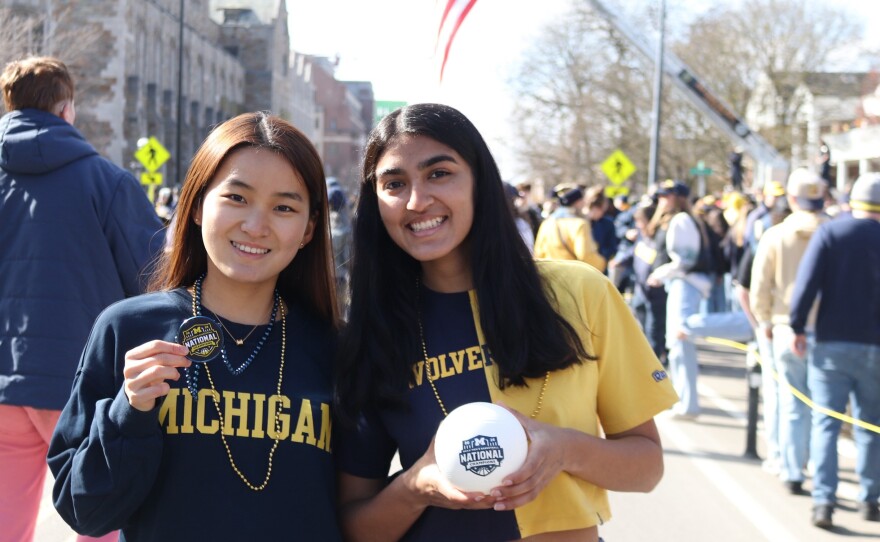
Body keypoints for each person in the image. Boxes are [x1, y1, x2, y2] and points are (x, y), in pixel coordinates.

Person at [334, 103, 678, 541]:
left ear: (480, 180)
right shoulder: (373, 332)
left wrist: (563, 449)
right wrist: (414, 487)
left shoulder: (580, 293)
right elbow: (355, 528)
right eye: (395, 184)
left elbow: (647, 467)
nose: (417, 201)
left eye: (439, 173)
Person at [47, 112, 343, 541]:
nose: (256, 226)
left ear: (309, 228)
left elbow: (358, 510)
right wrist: (128, 411)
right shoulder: (127, 329)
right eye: (237, 198)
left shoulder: (337, 347)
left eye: (284, 207)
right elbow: (85, 511)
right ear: (199, 205)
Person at [0, 56, 164, 542]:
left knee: (7, 518)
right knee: (96, 515)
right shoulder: (107, 182)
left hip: (5, 381)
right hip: (79, 383)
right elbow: (152, 277)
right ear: (67, 108)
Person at [788, 172, 880, 529]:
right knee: (870, 425)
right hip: (876, 344)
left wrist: (796, 325)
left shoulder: (832, 232)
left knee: (826, 422)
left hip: (832, 342)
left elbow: (807, 282)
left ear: (853, 201)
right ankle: (870, 499)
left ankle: (824, 501)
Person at [750, 168, 828, 496]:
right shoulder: (833, 232)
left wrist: (765, 321)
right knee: (822, 405)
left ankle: (790, 466)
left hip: (783, 327)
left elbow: (760, 287)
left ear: (793, 199)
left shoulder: (775, 235)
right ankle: (812, 463)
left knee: (788, 400)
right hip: (826, 329)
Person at [646, 179, 714, 420]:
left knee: (680, 343)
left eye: (667, 195)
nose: (662, 199)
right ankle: (685, 402)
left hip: (687, 285)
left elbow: (685, 261)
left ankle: (688, 404)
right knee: (678, 345)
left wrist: (660, 273)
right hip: (682, 284)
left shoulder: (681, 220)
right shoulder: (679, 219)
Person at [534, 184, 606, 272]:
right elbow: (585, 255)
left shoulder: (546, 223)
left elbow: (539, 253)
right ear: (578, 202)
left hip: (551, 275)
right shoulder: (580, 224)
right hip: (573, 276)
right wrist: (603, 263)